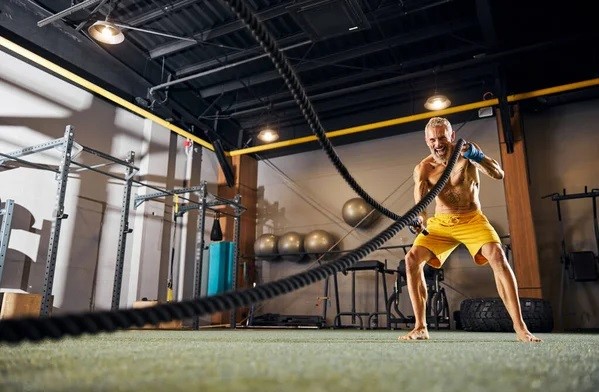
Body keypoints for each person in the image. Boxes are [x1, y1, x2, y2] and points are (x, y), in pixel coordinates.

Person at [399, 117, 541, 342]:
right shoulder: (423, 168)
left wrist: (477, 156)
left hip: (472, 219)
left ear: (452, 136)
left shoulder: (466, 153)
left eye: (442, 138)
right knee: (411, 260)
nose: (438, 144)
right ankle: (420, 327)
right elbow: (422, 205)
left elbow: (498, 174)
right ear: (427, 141)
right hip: (442, 223)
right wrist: (419, 219)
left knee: (497, 256)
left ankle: (520, 328)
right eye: (433, 140)